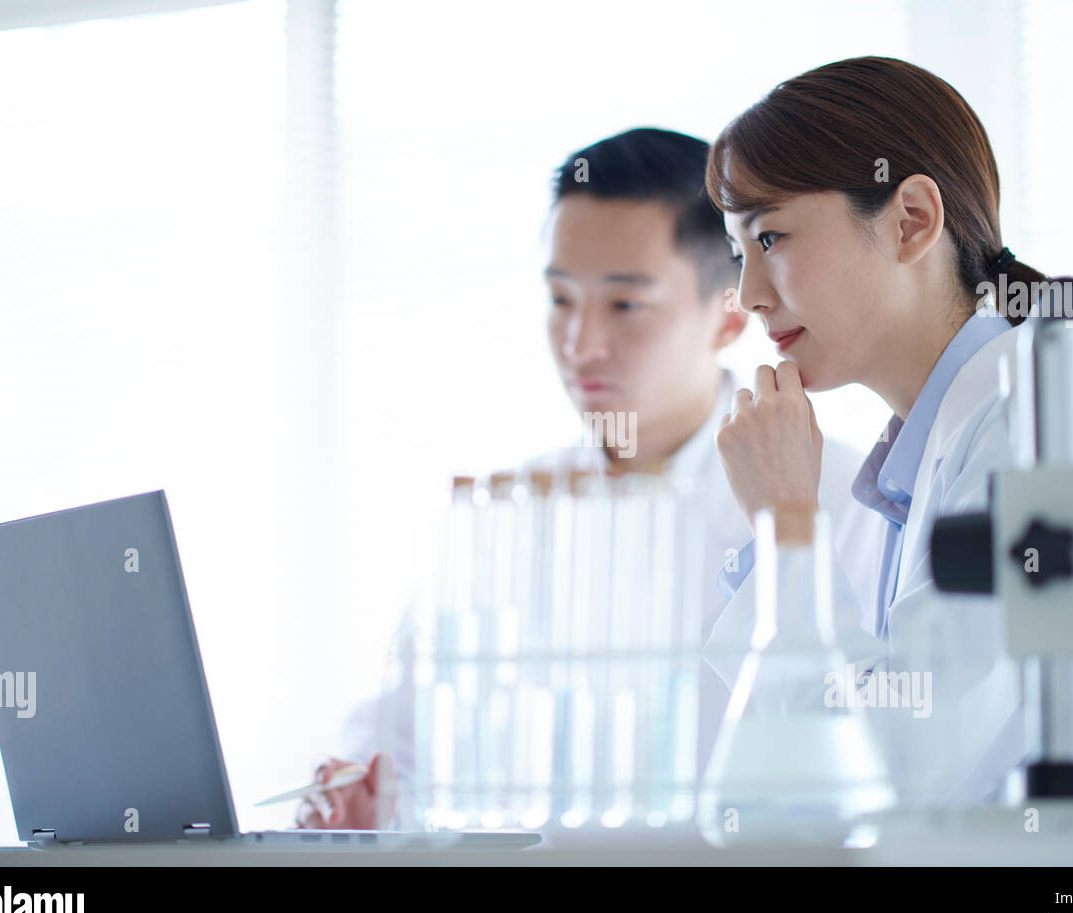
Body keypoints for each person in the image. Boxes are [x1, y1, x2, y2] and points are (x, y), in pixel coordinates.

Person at [297, 128, 884, 829]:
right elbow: (393, 747)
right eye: (561, 301)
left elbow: (874, 761)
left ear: (729, 315)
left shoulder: (838, 499)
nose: (580, 345)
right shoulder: (505, 511)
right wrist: (357, 802)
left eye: (625, 305)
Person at [703, 55, 1073, 805]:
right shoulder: (945, 445)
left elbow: (885, 771)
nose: (749, 295)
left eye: (770, 239)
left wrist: (784, 522)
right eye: (736, 253)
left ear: (912, 221)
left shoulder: (1034, 426)